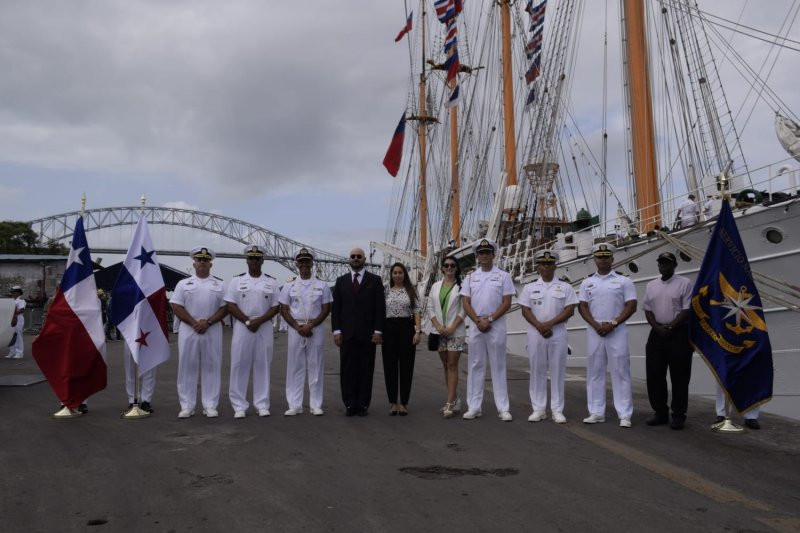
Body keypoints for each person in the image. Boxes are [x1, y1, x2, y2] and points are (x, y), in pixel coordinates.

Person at [578, 243, 637, 427]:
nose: (602, 260)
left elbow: (631, 305)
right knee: (595, 371)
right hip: (595, 330)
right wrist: (596, 325)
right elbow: (583, 306)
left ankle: (625, 414)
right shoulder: (587, 282)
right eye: (599, 257)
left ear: (612, 259)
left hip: (616, 330)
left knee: (621, 371)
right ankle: (596, 412)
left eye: (606, 256)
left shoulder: (624, 281)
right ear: (595, 260)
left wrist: (613, 323)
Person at [460, 239, 516, 421]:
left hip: (496, 323)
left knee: (498, 365)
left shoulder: (503, 276)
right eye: (481, 253)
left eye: (487, 252)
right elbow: (465, 302)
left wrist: (490, 319)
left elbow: (507, 302)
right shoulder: (470, 277)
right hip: (476, 324)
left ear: (493, 254)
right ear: (477, 256)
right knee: (475, 364)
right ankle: (474, 406)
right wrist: (477, 320)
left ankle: (503, 407)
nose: (484, 255)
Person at [520, 250, 578, 424]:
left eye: (549, 263)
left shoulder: (565, 287)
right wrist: (539, 325)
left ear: (555, 265)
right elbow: (525, 309)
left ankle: (557, 410)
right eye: (543, 264)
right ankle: (538, 409)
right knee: (537, 370)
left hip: (558, 332)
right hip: (535, 332)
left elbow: (570, 310)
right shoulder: (529, 287)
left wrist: (549, 324)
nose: (546, 267)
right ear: (538, 266)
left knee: (557, 371)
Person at [170, 247, 228, 419]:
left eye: (205, 260)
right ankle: (187, 405)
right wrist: (194, 322)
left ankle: (210, 405)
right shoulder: (183, 284)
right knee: (187, 366)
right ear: (194, 263)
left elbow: (225, 307)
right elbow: (176, 306)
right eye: (199, 260)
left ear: (211, 263)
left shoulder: (219, 284)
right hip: (189, 329)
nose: (202, 262)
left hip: (212, 328)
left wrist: (208, 322)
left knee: (212, 366)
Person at [224, 244, 280, 418]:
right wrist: (247, 320)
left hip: (263, 327)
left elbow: (276, 306)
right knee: (239, 364)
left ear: (262, 260)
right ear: (246, 260)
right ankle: (239, 405)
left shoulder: (271, 281)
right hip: (243, 326)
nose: (254, 261)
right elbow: (230, 304)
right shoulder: (236, 281)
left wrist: (259, 321)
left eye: (257, 258)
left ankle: (261, 404)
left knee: (263, 364)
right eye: (251, 258)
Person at [331, 247, 385, 416]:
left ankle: (362, 404)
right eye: (353, 256)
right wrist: (336, 331)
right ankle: (349, 403)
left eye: (359, 256)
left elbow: (380, 308)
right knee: (347, 370)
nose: (355, 259)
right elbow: (336, 309)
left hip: (367, 334)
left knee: (366, 369)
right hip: (346, 334)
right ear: (349, 259)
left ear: (364, 260)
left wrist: (378, 331)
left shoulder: (375, 280)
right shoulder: (341, 281)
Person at [642, 252, 693, 430]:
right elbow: (647, 309)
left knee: (679, 376)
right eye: (661, 263)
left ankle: (678, 414)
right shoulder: (651, 285)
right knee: (655, 374)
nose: (663, 266)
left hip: (678, 333)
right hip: (657, 333)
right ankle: (660, 412)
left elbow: (687, 309)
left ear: (674, 265)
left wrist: (671, 327)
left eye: (667, 263)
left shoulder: (684, 283)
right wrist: (657, 327)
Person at [279, 248, 333, 416]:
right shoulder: (288, 286)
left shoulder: (322, 285)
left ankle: (315, 404)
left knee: (315, 365)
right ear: (297, 264)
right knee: (295, 366)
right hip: (296, 328)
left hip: (315, 328)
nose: (304, 265)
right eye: (301, 261)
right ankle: (294, 404)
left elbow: (326, 309)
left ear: (312, 263)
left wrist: (312, 325)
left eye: (307, 261)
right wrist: (297, 327)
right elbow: (284, 309)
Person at [382, 262, 421, 416]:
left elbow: (417, 311)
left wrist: (417, 331)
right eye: (395, 273)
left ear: (404, 274)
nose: (397, 275)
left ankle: (404, 402)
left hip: (406, 328)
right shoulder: (385, 290)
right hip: (389, 328)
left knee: (406, 366)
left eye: (400, 272)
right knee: (389, 366)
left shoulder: (411, 291)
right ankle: (392, 402)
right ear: (391, 275)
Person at [429, 257, 466, 418]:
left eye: (452, 265)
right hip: (439, 332)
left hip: (455, 332)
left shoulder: (462, 286)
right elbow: (430, 307)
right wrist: (438, 326)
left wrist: (452, 327)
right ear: (442, 269)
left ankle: (450, 402)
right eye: (446, 265)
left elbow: (464, 309)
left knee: (452, 365)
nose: (449, 268)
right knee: (445, 365)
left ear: (456, 269)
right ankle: (455, 398)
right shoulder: (436, 286)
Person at [122, 342, 156, 413]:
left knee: (150, 363)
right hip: (130, 332)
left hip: (149, 331)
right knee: (130, 365)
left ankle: (146, 400)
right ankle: (133, 400)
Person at [6, 286, 26, 359]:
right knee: (11, 336)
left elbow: (21, 310)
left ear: (17, 293)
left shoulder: (21, 300)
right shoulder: (12, 300)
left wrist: (12, 312)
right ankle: (12, 352)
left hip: (18, 319)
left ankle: (19, 352)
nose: (11, 294)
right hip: (11, 319)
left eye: (13, 292)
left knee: (18, 336)